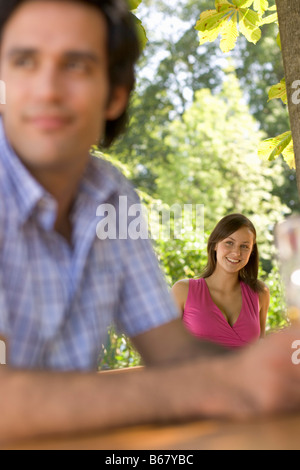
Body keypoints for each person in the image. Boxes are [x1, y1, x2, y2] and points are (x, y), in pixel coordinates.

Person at [0, 0, 299, 443]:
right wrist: (196, 390)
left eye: (76, 65)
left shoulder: (110, 192)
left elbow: (171, 350)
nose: (47, 88)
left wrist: (265, 368)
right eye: (24, 61)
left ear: (114, 94)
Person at [172, 214, 270, 349]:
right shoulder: (182, 290)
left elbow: (261, 351)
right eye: (229, 243)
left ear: (252, 251)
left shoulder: (260, 293)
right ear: (215, 245)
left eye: (244, 246)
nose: (236, 253)